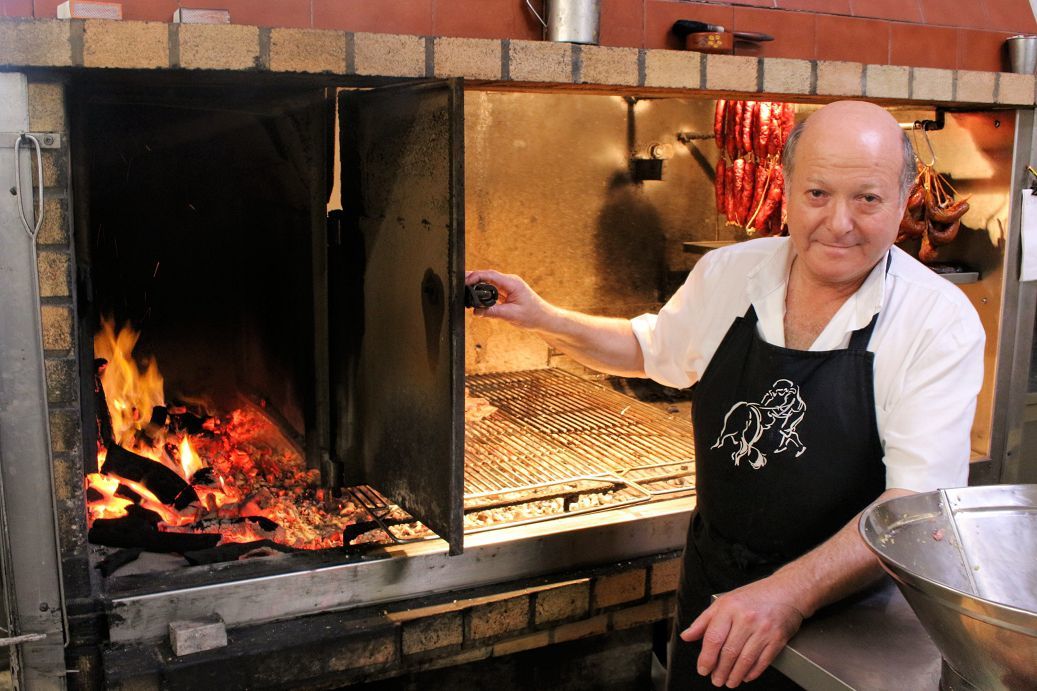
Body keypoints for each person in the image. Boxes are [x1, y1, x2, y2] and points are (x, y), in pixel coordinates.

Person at [465, 100, 985, 689]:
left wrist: (786, 596)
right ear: (785, 188)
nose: (840, 223)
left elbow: (910, 510)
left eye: (867, 198)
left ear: (901, 198)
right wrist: (542, 316)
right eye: (817, 194)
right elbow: (650, 349)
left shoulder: (936, 322)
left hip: (847, 627)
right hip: (714, 592)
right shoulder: (730, 273)